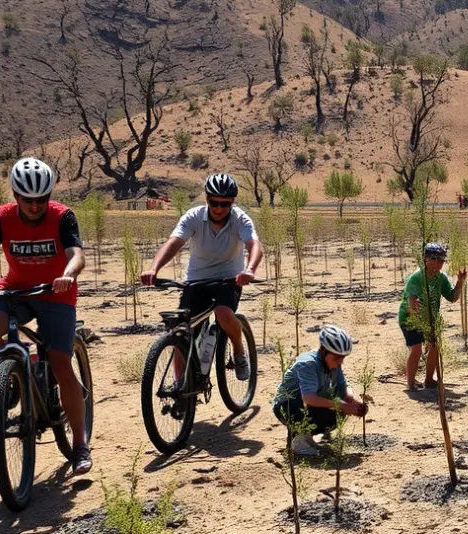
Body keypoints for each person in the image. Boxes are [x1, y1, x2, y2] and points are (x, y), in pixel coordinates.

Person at [0, 157, 93, 474]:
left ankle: (79, 445)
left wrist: (68, 273)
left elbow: (76, 254)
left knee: (61, 363)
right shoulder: (0, 218)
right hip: (15, 291)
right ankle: (18, 378)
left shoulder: (63, 216)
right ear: (15, 194)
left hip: (56, 294)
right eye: (28, 199)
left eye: (41, 199)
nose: (35, 206)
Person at [140, 173, 263, 381]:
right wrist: (154, 268)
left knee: (223, 313)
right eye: (214, 202)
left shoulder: (240, 219)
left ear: (232, 202)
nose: (218, 208)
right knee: (181, 332)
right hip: (196, 281)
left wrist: (249, 270)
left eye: (224, 204)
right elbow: (174, 243)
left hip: (228, 280)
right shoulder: (193, 217)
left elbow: (254, 245)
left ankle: (239, 350)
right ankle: (180, 387)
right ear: (206, 199)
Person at [273, 325, 369, 455]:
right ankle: (298, 440)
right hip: (288, 405)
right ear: (324, 352)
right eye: (336, 357)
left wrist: (352, 402)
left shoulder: (334, 363)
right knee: (332, 404)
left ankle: (308, 438)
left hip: (306, 403)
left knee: (337, 407)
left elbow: (343, 387)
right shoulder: (308, 364)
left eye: (343, 357)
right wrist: (342, 405)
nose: (340, 361)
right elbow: (309, 398)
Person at [400, 243, 466, 391]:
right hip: (410, 317)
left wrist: (460, 282)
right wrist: (420, 325)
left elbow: (452, 297)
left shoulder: (441, 278)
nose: (437, 263)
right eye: (434, 259)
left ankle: (429, 380)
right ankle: (410, 384)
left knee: (435, 347)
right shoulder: (417, 277)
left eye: (441, 261)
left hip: (431, 318)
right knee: (416, 349)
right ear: (425, 259)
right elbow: (411, 302)